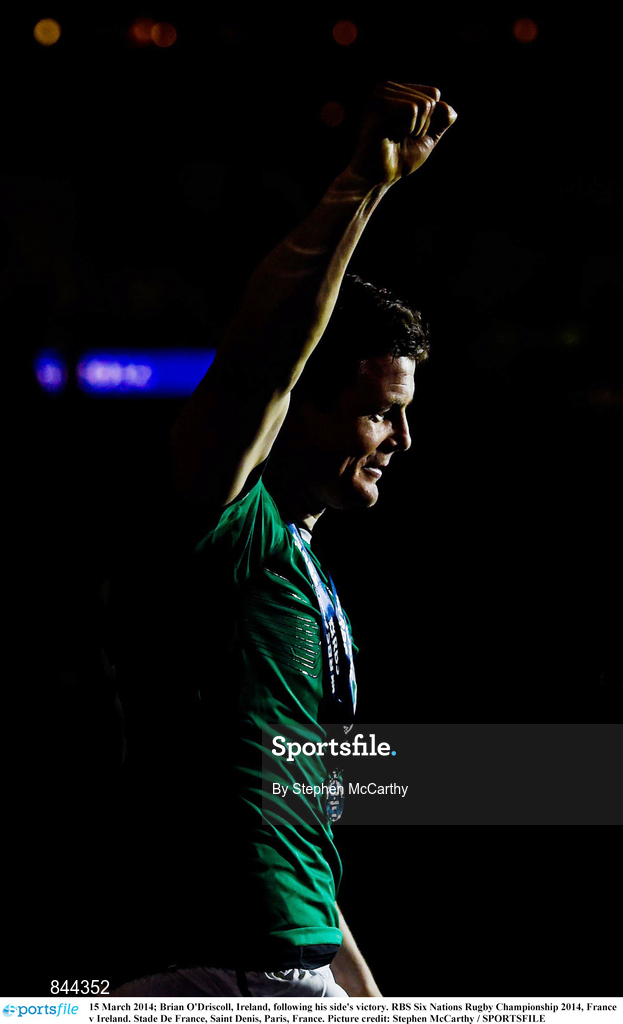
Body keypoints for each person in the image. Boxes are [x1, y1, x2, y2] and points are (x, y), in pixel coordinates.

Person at [112, 80, 456, 998]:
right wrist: (363, 184)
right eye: (380, 415)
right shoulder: (225, 523)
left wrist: (369, 1001)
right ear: (301, 406)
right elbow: (260, 363)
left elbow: (297, 832)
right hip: (209, 971)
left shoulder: (307, 570)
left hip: (292, 965)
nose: (403, 442)